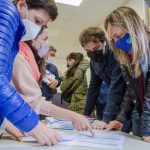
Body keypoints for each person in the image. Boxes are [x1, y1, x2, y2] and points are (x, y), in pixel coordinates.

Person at [11, 24, 95, 139]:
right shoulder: (19, 58)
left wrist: (73, 116)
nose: (47, 44)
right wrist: (32, 126)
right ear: (31, 39)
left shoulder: (31, 61)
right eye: (45, 39)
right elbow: (33, 102)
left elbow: (34, 102)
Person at [0, 0, 62, 146]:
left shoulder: (15, 36)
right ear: (21, 5)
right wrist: (33, 125)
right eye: (37, 21)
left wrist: (4, 124)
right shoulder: (7, 12)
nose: (36, 28)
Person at [104, 6, 150, 142]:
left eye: (118, 36)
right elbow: (131, 92)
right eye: (114, 39)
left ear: (133, 28)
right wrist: (121, 119)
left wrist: (147, 129)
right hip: (143, 115)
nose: (117, 43)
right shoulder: (129, 58)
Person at [79, 27, 127, 130]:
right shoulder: (93, 61)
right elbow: (93, 87)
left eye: (96, 48)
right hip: (113, 100)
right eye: (88, 50)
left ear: (104, 42)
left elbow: (116, 87)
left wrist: (106, 119)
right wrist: (85, 115)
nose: (92, 53)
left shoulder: (116, 54)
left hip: (127, 100)